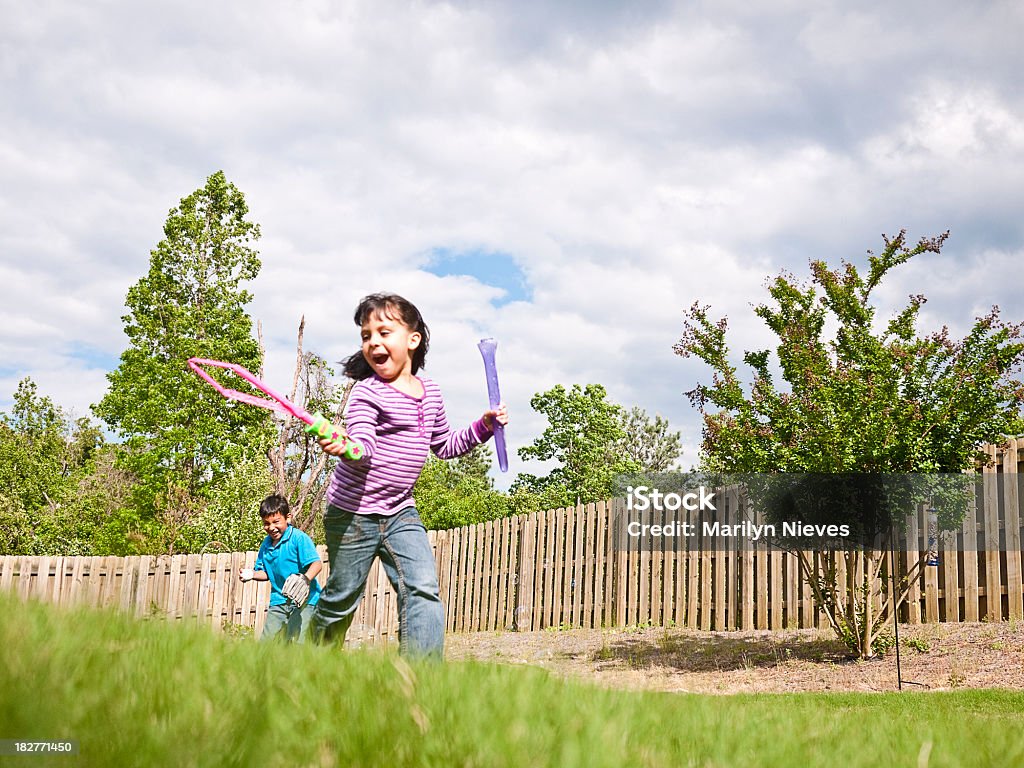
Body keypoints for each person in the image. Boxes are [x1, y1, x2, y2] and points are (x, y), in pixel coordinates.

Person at [311, 292, 508, 659]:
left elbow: (445, 446)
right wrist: (346, 447)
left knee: (422, 588)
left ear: (413, 340)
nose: (374, 342)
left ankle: (419, 680)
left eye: (384, 332)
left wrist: (483, 427)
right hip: (353, 513)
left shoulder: (430, 392)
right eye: (366, 336)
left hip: (401, 510)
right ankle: (311, 662)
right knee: (341, 598)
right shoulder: (366, 394)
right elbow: (364, 448)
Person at [239, 494, 323, 643]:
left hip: (305, 600)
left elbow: (316, 564)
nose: (271, 527)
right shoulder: (265, 545)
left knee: (298, 642)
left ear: (288, 518)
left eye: (276, 521)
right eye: (266, 523)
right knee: (266, 642)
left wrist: (305, 579)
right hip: (279, 600)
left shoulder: (298, 538)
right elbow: (265, 573)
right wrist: (252, 574)